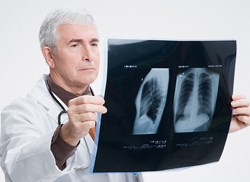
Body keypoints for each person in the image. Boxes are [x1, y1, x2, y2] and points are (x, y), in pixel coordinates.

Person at [0, 7, 249, 182]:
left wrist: (217, 126)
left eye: (94, 43)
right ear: (50, 56)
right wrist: (66, 136)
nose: (89, 54)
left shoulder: (117, 106)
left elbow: (160, 148)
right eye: (75, 44)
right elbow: (18, 172)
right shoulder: (22, 112)